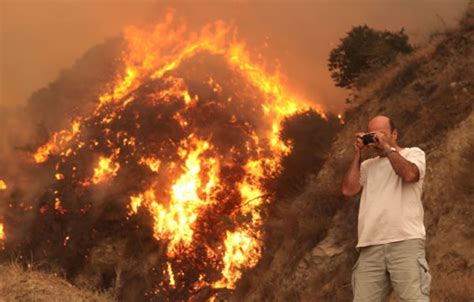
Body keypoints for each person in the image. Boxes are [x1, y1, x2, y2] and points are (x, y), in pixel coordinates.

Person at [342, 115, 431, 301]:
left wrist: (387, 149)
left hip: (405, 241)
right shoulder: (367, 166)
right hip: (370, 245)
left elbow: (409, 175)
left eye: (381, 133)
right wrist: (358, 154)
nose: (377, 138)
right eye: (372, 134)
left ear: (395, 134)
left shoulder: (413, 154)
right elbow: (349, 190)